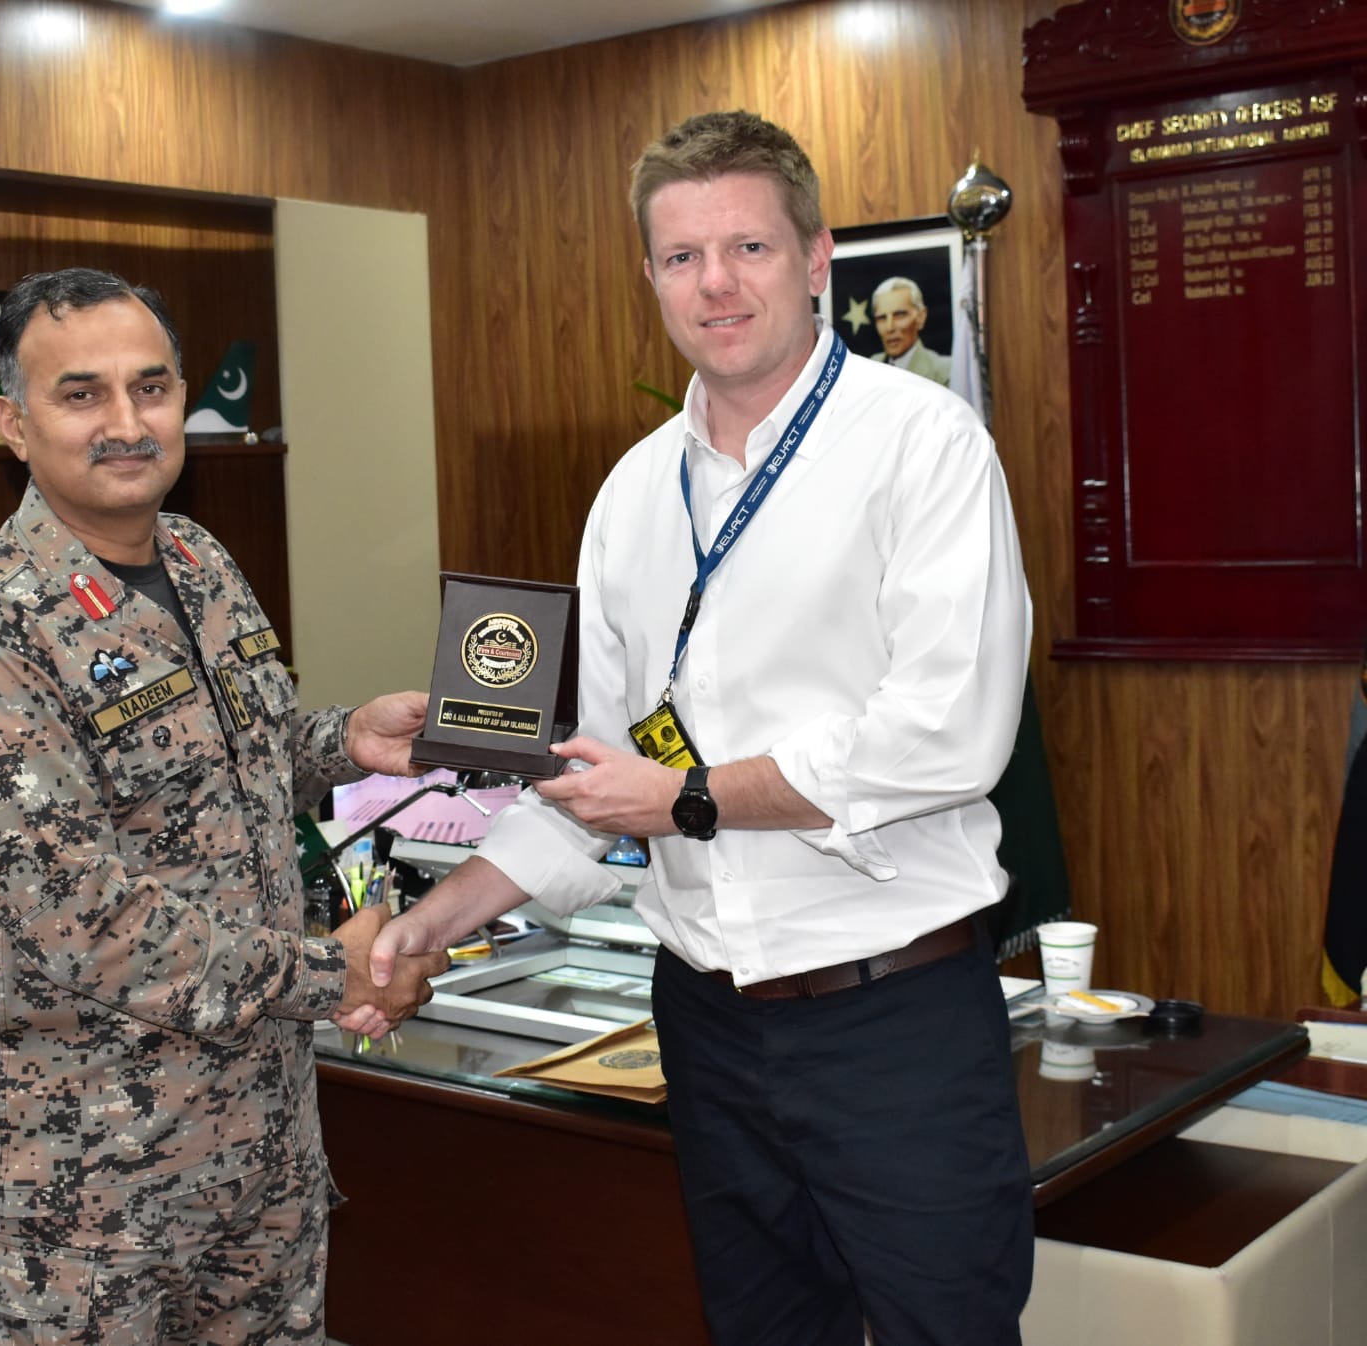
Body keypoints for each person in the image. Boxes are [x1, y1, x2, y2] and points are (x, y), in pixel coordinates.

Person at [369, 111, 1034, 1344]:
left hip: (890, 1018)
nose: (715, 284)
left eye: (748, 249)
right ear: (650, 277)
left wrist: (689, 798)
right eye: (682, 257)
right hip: (707, 1023)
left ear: (817, 255)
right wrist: (428, 919)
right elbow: (593, 778)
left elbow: (947, 732)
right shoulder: (630, 494)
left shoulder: (922, 446)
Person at [0, 268, 448, 1346]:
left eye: (151, 387)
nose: (127, 423)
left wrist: (343, 740)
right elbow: (83, 921)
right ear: (12, 422)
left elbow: (222, 765)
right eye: (82, 394)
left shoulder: (198, 563)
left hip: (260, 1146)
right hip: (88, 1189)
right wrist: (338, 974)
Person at [870, 274, 952, 385]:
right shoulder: (869, 368)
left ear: (920, 318)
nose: (890, 328)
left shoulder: (945, 372)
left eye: (899, 315)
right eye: (882, 318)